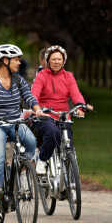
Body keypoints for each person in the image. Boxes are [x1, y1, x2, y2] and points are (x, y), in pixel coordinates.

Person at [0, 44, 45, 222]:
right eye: (15, 59)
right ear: (5, 61)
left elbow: (28, 96)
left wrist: (36, 109)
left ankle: (21, 171)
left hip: (15, 121)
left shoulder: (18, 80)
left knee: (30, 142)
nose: (19, 62)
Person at [31, 45, 93, 175]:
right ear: (48, 60)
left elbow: (75, 94)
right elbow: (34, 94)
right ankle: (42, 160)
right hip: (44, 116)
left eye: (59, 59)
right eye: (53, 59)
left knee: (67, 143)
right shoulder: (41, 75)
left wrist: (81, 106)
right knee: (52, 132)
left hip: (63, 116)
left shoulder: (68, 76)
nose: (56, 62)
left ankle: (67, 179)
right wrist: (37, 108)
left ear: (63, 61)